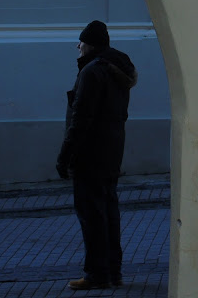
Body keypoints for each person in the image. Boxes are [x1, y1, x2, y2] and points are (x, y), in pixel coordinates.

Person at [56, 20, 138, 290]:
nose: (77, 46)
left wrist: (64, 156)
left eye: (81, 41)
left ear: (90, 44)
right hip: (111, 152)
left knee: (91, 217)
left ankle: (97, 275)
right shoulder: (117, 70)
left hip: (89, 154)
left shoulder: (92, 72)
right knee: (109, 214)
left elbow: (81, 119)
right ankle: (113, 272)